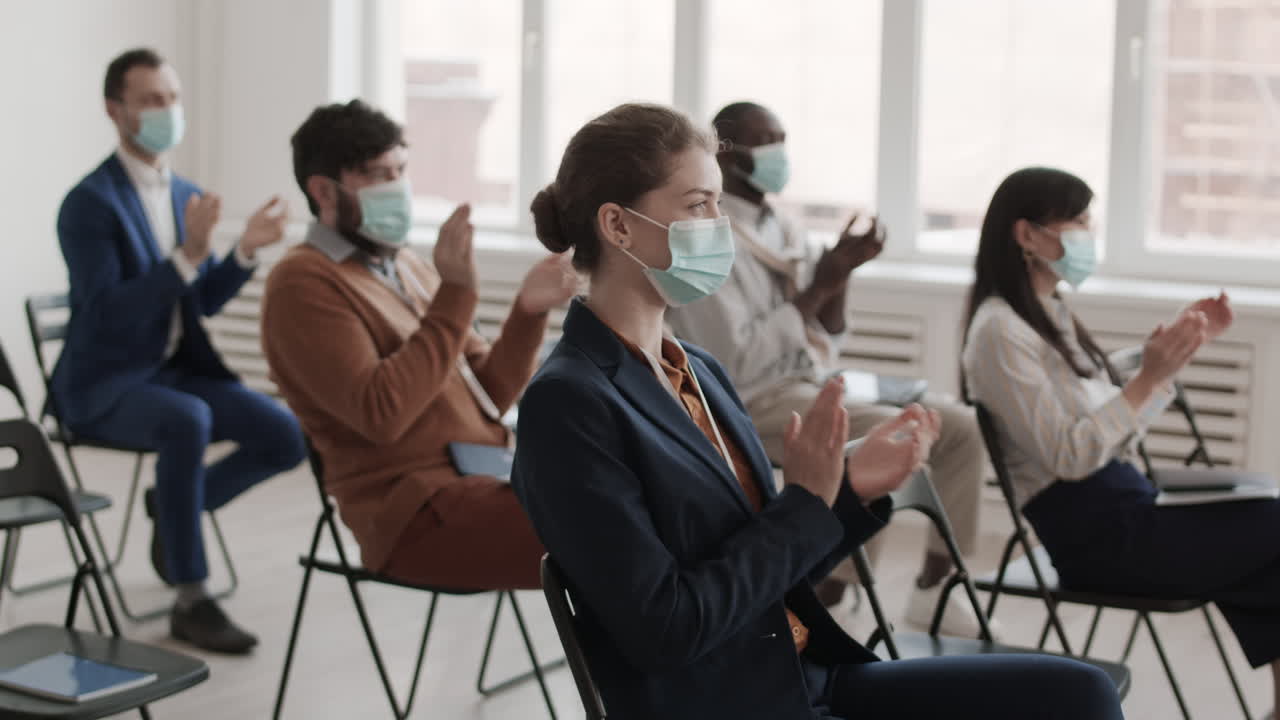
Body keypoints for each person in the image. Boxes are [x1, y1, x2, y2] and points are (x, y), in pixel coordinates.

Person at [512, 103, 1123, 720]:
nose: (718, 225)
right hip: (741, 704)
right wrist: (805, 502)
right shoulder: (567, 404)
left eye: (719, 204)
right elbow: (668, 629)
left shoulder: (698, 369)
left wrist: (848, 490)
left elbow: (765, 563)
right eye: (698, 205)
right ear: (618, 225)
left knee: (1081, 693)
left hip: (807, 677)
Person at [962, 165, 1280, 716]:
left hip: (1124, 508)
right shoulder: (998, 332)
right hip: (1097, 539)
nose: (1088, 235)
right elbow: (1070, 453)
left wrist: (1171, 348)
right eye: (1077, 222)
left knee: (1270, 548)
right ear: (1027, 235)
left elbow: (1093, 393)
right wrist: (1150, 377)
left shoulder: (1045, 311)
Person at [665, 101, 989, 635]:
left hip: (805, 381)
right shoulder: (706, 238)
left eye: (782, 138)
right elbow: (737, 361)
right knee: (887, 432)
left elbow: (826, 336)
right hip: (752, 400)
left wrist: (841, 272)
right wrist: (820, 285)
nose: (778, 153)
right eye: (765, 141)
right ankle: (830, 594)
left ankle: (938, 585)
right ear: (727, 153)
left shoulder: (782, 228)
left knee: (959, 426)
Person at [260, 100, 577, 590]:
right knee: (607, 530)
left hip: (486, 475)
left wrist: (528, 312)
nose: (397, 188)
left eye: (400, 170)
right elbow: (382, 414)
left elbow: (490, 395)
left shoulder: (407, 264)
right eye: (377, 175)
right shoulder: (301, 283)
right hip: (414, 513)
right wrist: (456, 294)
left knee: (627, 497)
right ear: (323, 190)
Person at [53, 48, 305, 654]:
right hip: (102, 384)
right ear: (116, 111)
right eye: (151, 100)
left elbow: (203, 302)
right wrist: (187, 255)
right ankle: (191, 599)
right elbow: (108, 314)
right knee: (187, 419)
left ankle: (172, 511)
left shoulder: (184, 194)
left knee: (286, 434)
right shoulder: (88, 203)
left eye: (173, 98)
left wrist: (242, 250)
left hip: (169, 374)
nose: (167, 111)